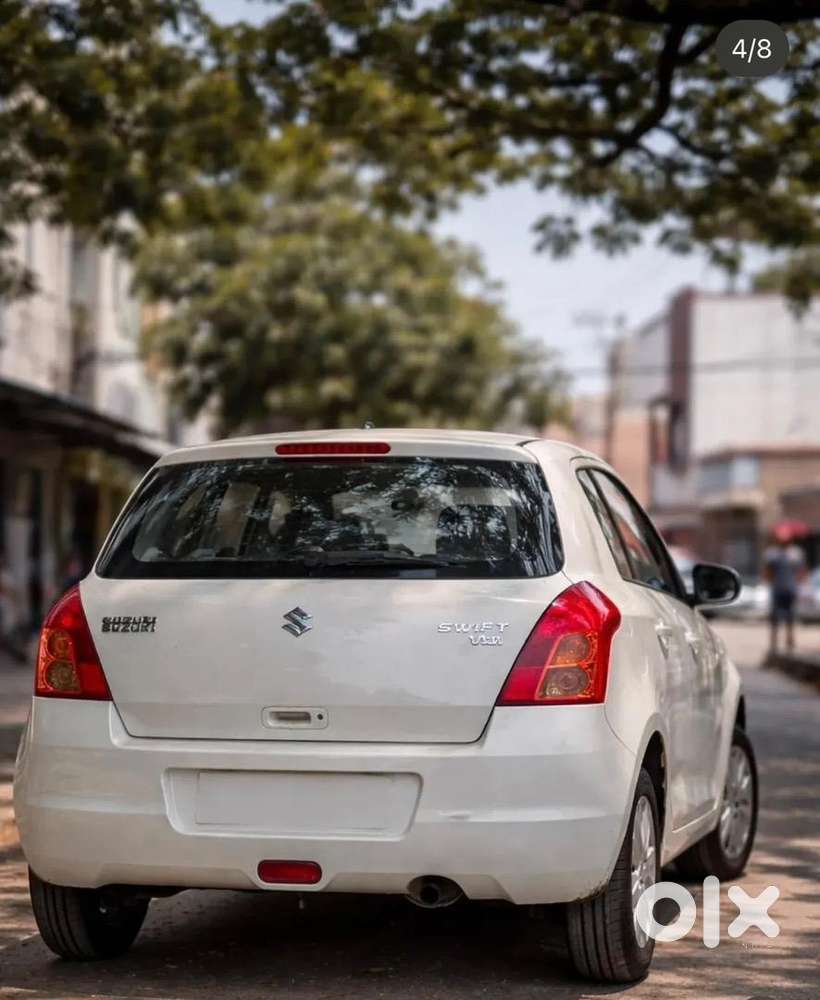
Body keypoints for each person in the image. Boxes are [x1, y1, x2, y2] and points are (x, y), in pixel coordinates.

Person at [764, 527, 807, 654]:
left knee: (790, 616)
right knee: (775, 617)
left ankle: (790, 642)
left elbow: (801, 571)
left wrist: (798, 584)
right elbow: (767, 571)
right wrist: (770, 581)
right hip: (777, 589)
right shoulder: (772, 554)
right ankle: (774, 643)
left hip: (790, 589)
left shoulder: (795, 553)